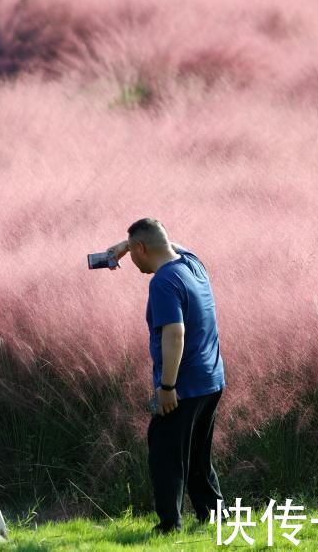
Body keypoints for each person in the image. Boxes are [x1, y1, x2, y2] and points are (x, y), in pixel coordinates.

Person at [106, 218, 225, 534]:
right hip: (211, 380)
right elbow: (170, 243)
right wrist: (122, 246)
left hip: (184, 384)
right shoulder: (190, 262)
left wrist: (167, 387)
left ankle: (170, 524)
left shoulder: (162, 282)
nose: (130, 260)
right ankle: (214, 515)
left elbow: (174, 333)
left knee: (165, 452)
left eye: (132, 253)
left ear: (142, 248)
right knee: (198, 454)